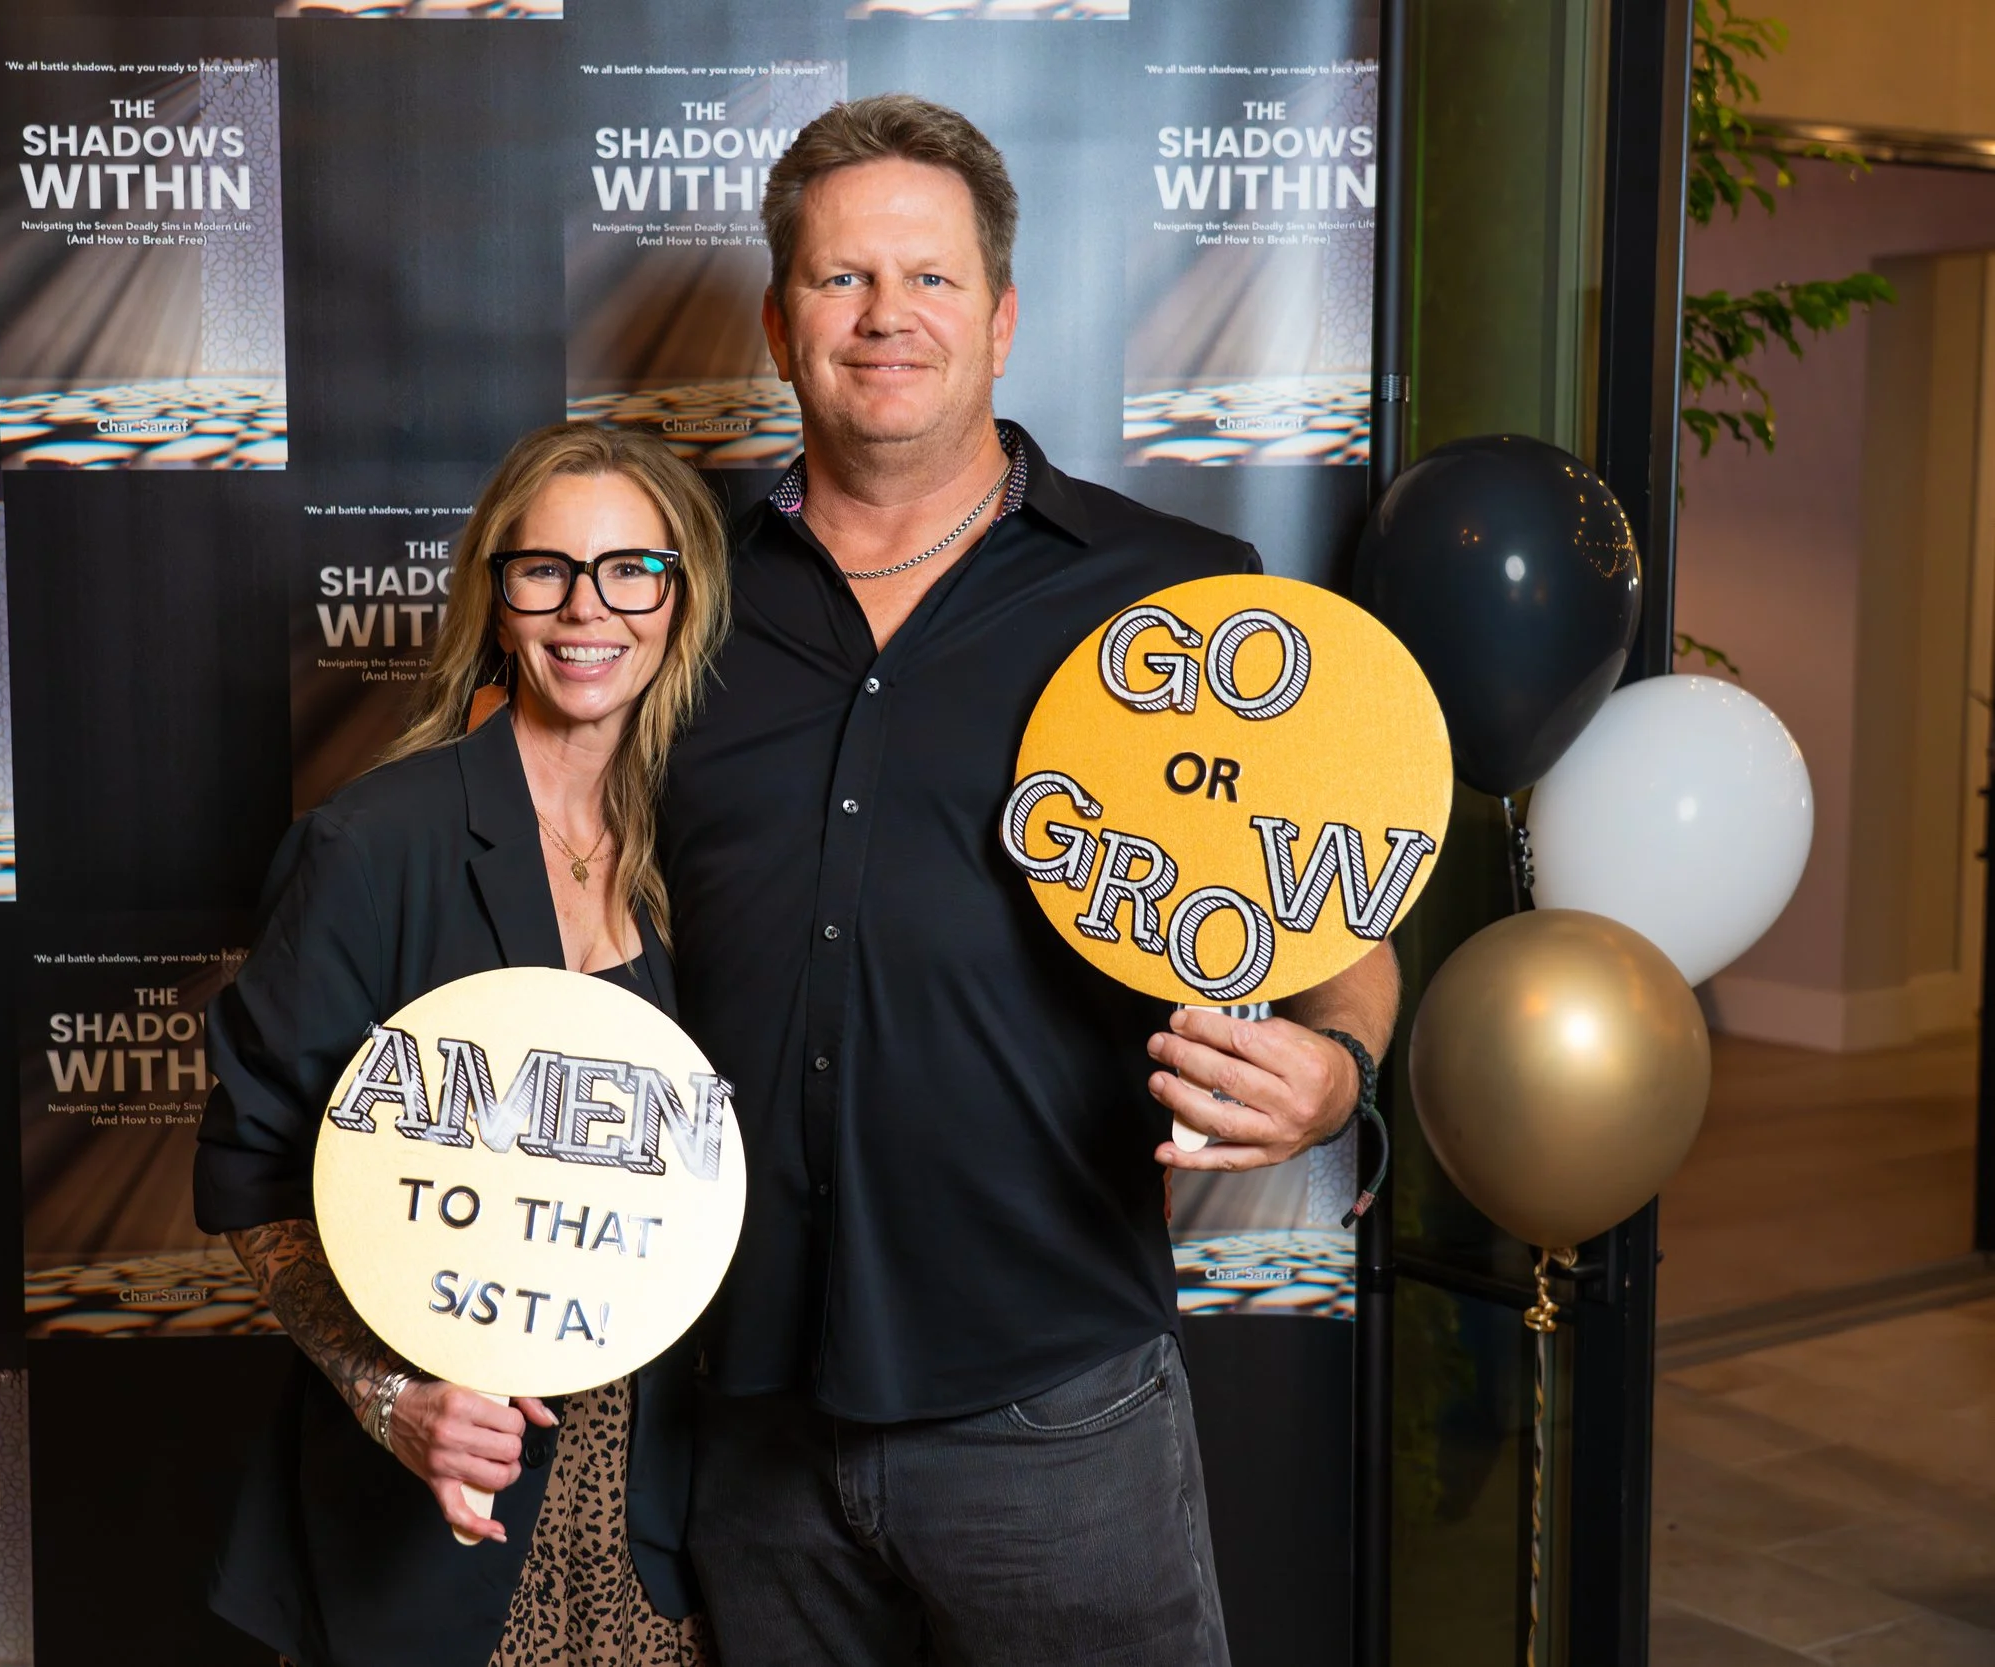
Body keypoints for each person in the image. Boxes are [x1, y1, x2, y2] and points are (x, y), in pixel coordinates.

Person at [658, 95, 1402, 1665]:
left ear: (1000, 318)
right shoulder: (673, 605)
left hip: (1051, 1397)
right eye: (843, 278)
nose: (886, 318)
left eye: (929, 280)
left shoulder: (1180, 601)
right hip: (743, 1401)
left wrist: (1332, 1074)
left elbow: (1346, 947)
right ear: (780, 319)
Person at [194, 422, 732, 1667]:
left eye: (628, 570)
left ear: (679, 597)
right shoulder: (374, 843)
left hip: (680, 1515)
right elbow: (254, 1177)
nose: (585, 607)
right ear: (496, 598)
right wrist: (394, 1400)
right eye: (543, 568)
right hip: (438, 1531)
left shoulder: (719, 852)